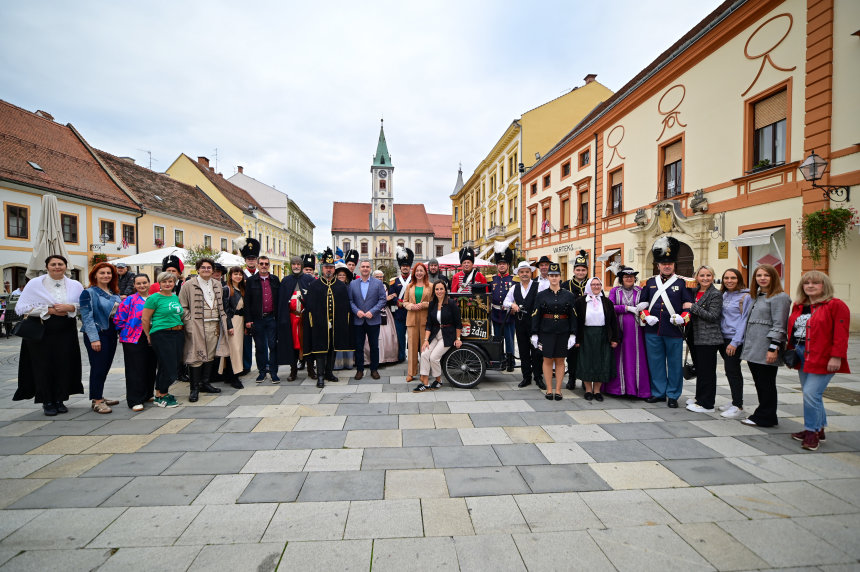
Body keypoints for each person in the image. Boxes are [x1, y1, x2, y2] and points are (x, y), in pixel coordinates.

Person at [787, 271, 850, 451]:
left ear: (825, 285)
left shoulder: (835, 305)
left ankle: (810, 432)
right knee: (813, 395)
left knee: (810, 393)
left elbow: (841, 333)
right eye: (807, 283)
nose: (810, 286)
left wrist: (836, 356)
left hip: (823, 356)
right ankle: (819, 429)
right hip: (801, 354)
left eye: (816, 283)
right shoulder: (799, 306)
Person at [13, 255, 84, 416]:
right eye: (53, 264)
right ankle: (47, 401)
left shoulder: (75, 285)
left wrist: (71, 307)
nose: (57, 267)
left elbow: (83, 306)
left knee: (64, 364)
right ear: (47, 267)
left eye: (60, 264)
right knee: (43, 365)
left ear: (66, 267)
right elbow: (22, 307)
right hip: (42, 329)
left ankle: (60, 399)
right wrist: (49, 310)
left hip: (66, 329)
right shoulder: (35, 284)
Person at [639, 237, 693, 408]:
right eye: (663, 263)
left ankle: (673, 395)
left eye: (670, 263)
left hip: (674, 331)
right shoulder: (649, 283)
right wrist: (646, 316)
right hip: (652, 331)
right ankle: (658, 392)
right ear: (658, 265)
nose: (667, 266)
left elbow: (688, 308)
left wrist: (682, 318)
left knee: (675, 364)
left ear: (674, 265)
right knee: (656, 363)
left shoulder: (683, 283)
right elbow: (642, 306)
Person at [739, 264, 791, 427]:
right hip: (754, 347)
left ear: (773, 277)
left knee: (766, 383)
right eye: (759, 275)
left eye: (766, 275)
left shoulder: (779, 297)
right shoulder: (758, 296)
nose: (762, 278)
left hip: (766, 348)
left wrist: (773, 348)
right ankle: (766, 414)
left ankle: (766, 416)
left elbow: (780, 325)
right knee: (760, 382)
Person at [178, 258, 230, 402]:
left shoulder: (217, 284)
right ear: (198, 269)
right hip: (196, 326)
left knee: (210, 355)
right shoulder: (188, 285)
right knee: (195, 356)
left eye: (209, 268)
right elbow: (182, 306)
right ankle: (194, 388)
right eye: (203, 267)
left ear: (213, 270)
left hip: (214, 325)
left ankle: (205, 383)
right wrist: (189, 322)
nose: (206, 270)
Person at [304, 248, 352, 388]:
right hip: (320, 325)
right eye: (326, 267)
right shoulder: (315, 285)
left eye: (331, 267)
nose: (329, 270)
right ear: (322, 268)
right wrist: (314, 322)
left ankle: (329, 372)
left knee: (332, 348)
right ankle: (320, 376)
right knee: (320, 350)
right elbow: (310, 307)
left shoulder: (340, 286)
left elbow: (344, 306)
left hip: (335, 325)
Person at [80, 262, 122, 414]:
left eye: (109, 273)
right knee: (98, 366)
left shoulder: (113, 291)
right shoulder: (89, 292)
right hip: (97, 332)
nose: (106, 275)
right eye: (102, 273)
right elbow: (87, 317)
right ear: (95, 275)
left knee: (105, 366)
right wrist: (94, 338)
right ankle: (97, 401)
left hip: (111, 332)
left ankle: (100, 395)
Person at [531, 262, 577, 400]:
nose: (554, 278)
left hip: (563, 331)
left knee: (560, 361)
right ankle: (549, 389)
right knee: (547, 360)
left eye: (556, 275)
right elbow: (536, 314)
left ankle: (558, 390)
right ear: (548, 277)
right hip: (546, 330)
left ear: (560, 277)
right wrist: (534, 333)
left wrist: (573, 334)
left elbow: (573, 315)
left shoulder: (569, 295)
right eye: (551, 275)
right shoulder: (541, 295)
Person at [683, 265, 724, 413]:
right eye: (702, 275)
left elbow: (713, 316)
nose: (705, 278)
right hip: (694, 335)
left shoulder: (715, 294)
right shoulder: (694, 291)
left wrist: (692, 307)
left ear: (712, 277)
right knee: (700, 369)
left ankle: (707, 404)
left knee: (707, 371)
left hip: (708, 338)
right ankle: (699, 398)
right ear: (697, 277)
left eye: (708, 275)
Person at [114, 273, 157, 411]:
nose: (142, 285)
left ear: (149, 283)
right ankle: (135, 399)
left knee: (150, 366)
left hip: (152, 335)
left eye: (144, 282)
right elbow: (119, 319)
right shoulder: (129, 300)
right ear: (134, 285)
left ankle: (148, 393)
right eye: (138, 283)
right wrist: (126, 331)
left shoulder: (154, 298)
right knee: (135, 368)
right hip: (134, 338)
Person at [606, 266, 651, 398]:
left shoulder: (641, 290)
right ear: (622, 279)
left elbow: (646, 305)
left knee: (636, 358)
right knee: (619, 356)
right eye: (626, 277)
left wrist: (645, 306)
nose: (629, 279)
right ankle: (617, 389)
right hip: (619, 329)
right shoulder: (615, 290)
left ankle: (635, 389)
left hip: (637, 331)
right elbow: (610, 307)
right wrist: (626, 308)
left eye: (631, 277)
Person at [141, 272, 184, 408]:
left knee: (172, 364)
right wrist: (148, 335)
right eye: (164, 282)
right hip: (161, 334)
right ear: (159, 283)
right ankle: (163, 394)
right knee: (168, 366)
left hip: (177, 334)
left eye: (170, 281)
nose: (168, 284)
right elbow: (145, 319)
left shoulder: (175, 297)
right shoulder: (153, 298)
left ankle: (160, 393)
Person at [574, 277, 619, 401]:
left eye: (598, 284)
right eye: (593, 284)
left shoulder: (607, 302)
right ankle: (588, 390)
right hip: (586, 335)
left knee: (602, 362)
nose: (596, 286)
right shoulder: (580, 302)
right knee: (587, 361)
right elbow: (576, 322)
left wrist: (614, 338)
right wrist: (577, 339)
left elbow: (613, 322)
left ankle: (597, 390)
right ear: (589, 286)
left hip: (603, 334)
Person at [504, 261, 545, 390]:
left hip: (536, 323)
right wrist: (512, 305)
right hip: (520, 323)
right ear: (518, 274)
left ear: (531, 273)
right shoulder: (514, 287)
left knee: (537, 351)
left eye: (527, 272)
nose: (525, 274)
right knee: (523, 350)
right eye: (522, 272)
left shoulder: (539, 286)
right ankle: (526, 377)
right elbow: (506, 301)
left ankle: (538, 377)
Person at [717, 269, 752, 419]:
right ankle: (734, 401)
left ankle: (738, 405)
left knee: (733, 370)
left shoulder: (746, 296)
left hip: (734, 339)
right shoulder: (724, 295)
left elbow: (744, 320)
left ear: (739, 279)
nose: (729, 281)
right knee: (730, 370)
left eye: (733, 278)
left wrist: (735, 342)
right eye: (726, 278)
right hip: (723, 338)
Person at [417, 281, 462, 392]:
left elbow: (458, 323)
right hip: (435, 334)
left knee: (433, 358)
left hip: (447, 335)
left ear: (445, 290)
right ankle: (425, 384)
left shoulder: (451, 303)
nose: (439, 291)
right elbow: (429, 324)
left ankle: (438, 380)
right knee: (424, 354)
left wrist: (458, 339)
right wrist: (426, 340)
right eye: (437, 289)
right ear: (434, 291)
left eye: (441, 289)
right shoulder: (432, 304)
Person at [277, 256, 314, 381]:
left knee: (308, 342)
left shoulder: (309, 279)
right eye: (294, 264)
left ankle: (310, 370)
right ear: (291, 266)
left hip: (306, 318)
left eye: (298, 264)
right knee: (292, 344)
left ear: (302, 266)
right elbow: (281, 301)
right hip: (292, 318)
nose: (296, 266)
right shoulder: (286, 281)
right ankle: (293, 371)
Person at [349, 259, 387, 380]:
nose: (365, 268)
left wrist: (373, 311)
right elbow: (350, 301)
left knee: (374, 346)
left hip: (373, 319)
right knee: (359, 346)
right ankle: (359, 369)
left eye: (367, 267)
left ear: (370, 269)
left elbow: (382, 300)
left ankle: (374, 369)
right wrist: (356, 311)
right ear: (359, 268)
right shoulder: (353, 284)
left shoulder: (378, 283)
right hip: (358, 320)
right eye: (363, 266)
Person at [245, 255, 281, 383]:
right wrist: (248, 320)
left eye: (266, 263)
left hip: (272, 318)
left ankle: (273, 372)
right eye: (261, 263)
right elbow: (247, 301)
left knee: (273, 346)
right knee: (260, 347)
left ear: (269, 265)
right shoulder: (251, 281)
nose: (264, 266)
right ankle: (262, 372)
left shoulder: (275, 280)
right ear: (258, 265)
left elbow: (280, 300)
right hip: (257, 319)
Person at [562, 250, 589, 390]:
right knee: (571, 354)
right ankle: (571, 378)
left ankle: (585, 380)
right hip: (570, 324)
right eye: (578, 269)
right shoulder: (565, 285)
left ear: (586, 271)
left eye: (583, 270)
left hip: (588, 325)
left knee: (586, 353)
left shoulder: (592, 284)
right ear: (573, 270)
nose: (580, 272)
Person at [403, 262, 433, 381]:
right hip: (412, 320)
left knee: (424, 348)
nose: (419, 273)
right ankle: (411, 372)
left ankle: (424, 372)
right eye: (417, 271)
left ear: (425, 272)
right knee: (412, 348)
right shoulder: (409, 286)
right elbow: (404, 302)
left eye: (421, 271)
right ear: (414, 273)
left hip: (425, 320)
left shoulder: (430, 286)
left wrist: (425, 304)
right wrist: (411, 306)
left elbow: (434, 303)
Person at [490, 246, 516, 372]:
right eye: (499, 264)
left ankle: (510, 361)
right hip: (496, 314)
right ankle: (500, 359)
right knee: (498, 338)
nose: (501, 266)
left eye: (504, 264)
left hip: (508, 314)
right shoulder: (492, 279)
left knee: (509, 339)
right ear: (497, 266)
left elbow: (518, 296)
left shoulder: (513, 280)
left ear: (508, 265)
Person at [220, 266, 246, 389]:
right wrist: (229, 325)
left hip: (240, 321)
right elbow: (225, 309)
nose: (238, 276)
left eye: (240, 274)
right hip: (232, 321)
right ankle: (234, 377)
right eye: (236, 274)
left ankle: (230, 375)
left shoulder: (240, 289)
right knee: (233, 349)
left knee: (237, 349)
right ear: (230, 276)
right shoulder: (227, 289)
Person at [388, 247, 414, 362]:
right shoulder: (394, 281)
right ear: (400, 267)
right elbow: (391, 295)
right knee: (400, 336)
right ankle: (401, 356)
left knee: (412, 337)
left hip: (412, 312)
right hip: (399, 314)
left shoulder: (414, 280)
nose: (405, 267)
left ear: (410, 267)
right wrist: (396, 302)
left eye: (407, 266)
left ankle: (413, 356)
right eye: (403, 266)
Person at [369, 269, 399, 365]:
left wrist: (391, 297)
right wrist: (387, 298)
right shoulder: (369, 286)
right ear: (373, 277)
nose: (380, 278)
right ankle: (376, 359)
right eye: (377, 277)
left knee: (389, 335)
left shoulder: (386, 286)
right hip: (374, 313)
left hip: (386, 312)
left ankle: (388, 357)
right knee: (376, 336)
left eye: (381, 277)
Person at [240, 238, 261, 373]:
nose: (251, 261)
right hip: (245, 313)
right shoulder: (240, 275)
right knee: (246, 342)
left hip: (259, 313)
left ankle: (262, 365)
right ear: (245, 260)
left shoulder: (263, 275)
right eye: (249, 258)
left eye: (253, 258)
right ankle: (246, 365)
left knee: (261, 342)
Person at [295, 253, 318, 376]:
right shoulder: (297, 280)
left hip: (312, 316)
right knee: (300, 339)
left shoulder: (316, 282)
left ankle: (311, 362)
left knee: (311, 340)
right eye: (306, 269)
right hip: (299, 315)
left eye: (311, 270)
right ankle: (301, 360)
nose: (308, 271)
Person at [333, 263, 356, 370]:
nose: (341, 276)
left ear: (346, 277)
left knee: (349, 339)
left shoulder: (349, 287)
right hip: (336, 317)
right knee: (337, 339)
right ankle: (338, 363)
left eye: (343, 275)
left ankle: (348, 363)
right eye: (339, 275)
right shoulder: (332, 287)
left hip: (348, 316)